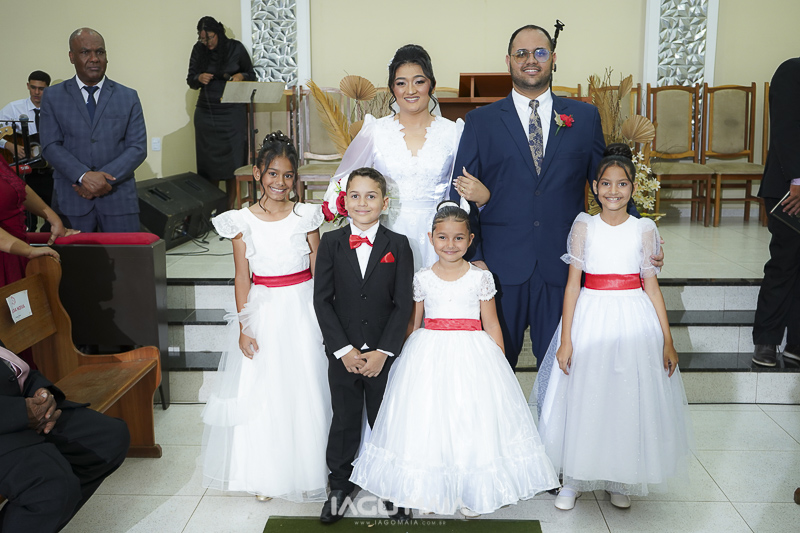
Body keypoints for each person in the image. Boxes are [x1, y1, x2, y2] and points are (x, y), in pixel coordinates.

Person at [449, 24, 660, 370]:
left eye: (540, 52)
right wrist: (475, 255)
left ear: (553, 58)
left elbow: (608, 185)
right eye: (521, 53)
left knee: (560, 370)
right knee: (494, 367)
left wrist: (639, 235)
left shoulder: (584, 118)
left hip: (563, 264)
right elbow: (460, 196)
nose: (530, 60)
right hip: (500, 266)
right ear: (508, 61)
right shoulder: (480, 122)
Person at [350, 201, 559, 518]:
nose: (450, 244)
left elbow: (492, 323)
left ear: (470, 240)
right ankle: (429, 490)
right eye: (443, 237)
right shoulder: (422, 278)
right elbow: (413, 323)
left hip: (472, 353)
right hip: (429, 353)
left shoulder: (480, 278)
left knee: (469, 418)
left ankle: (471, 490)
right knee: (430, 419)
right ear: (431, 238)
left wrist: (499, 362)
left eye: (459, 238)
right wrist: (400, 358)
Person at [533, 154, 693, 511]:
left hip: (633, 317)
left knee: (624, 398)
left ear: (633, 188)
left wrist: (667, 340)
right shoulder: (584, 226)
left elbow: (652, 288)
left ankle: (618, 478)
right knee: (585, 395)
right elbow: (572, 285)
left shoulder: (644, 229)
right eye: (606, 183)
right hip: (591, 314)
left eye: (622, 184)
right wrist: (566, 339)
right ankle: (574, 479)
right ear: (595, 187)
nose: (613, 191)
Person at [201, 132, 331, 502]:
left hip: (303, 307)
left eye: (288, 175)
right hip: (265, 309)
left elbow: (319, 268)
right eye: (273, 173)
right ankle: (266, 474)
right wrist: (245, 326)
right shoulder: (240, 221)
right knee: (266, 389)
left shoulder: (306, 216)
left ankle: (310, 469)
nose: (280, 182)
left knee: (307, 385)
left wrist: (325, 315)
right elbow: (242, 276)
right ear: (258, 173)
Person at [313, 168, 414, 523]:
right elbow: (322, 300)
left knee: (385, 419)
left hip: (381, 356)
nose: (362, 203)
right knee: (343, 419)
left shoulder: (398, 244)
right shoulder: (331, 243)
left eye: (371, 196)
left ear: (384, 203)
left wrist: (383, 352)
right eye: (355, 195)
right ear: (345, 201)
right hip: (344, 354)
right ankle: (339, 487)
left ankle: (391, 487)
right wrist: (343, 350)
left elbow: (403, 304)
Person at [323, 44, 464, 271]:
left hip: (438, 238)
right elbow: (342, 183)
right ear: (392, 88)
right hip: (386, 235)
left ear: (432, 85)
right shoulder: (375, 130)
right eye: (401, 83)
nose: (410, 90)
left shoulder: (454, 132)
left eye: (419, 81)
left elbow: (461, 191)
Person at [0, 340, 130, 532]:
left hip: (17, 402)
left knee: (109, 439)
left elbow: (10, 365)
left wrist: (43, 394)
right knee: (52, 487)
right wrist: (21, 413)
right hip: (7, 420)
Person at [39, 27, 146, 233]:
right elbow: (51, 146)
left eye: (100, 52)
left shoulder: (128, 96)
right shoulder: (53, 96)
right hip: (72, 199)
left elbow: (137, 148)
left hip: (118, 200)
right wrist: (83, 176)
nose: (94, 58)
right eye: (85, 52)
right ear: (72, 57)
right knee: (76, 256)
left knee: (124, 255)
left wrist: (101, 180)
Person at [751, 57, 800, 367]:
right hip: (789, 189)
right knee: (785, 262)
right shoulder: (792, 71)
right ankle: (766, 340)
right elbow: (786, 129)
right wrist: (798, 179)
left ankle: (796, 343)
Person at [187, 16, 256, 210]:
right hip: (206, 113)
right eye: (203, 39)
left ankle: (228, 209)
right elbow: (190, 80)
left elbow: (251, 74)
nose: (207, 43)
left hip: (232, 113)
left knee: (233, 164)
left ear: (218, 33)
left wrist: (241, 75)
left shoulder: (236, 48)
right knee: (209, 167)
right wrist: (199, 77)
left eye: (210, 38)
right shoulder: (198, 50)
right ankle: (211, 210)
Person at [1, 159, 75, 288]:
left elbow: (16, 185)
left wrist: (54, 220)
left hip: (17, 251)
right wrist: (28, 251)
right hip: (10, 251)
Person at [0, 71, 55, 232]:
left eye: (41, 89)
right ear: (27, 86)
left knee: (54, 213)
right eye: (33, 87)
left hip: (49, 172)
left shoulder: (55, 109)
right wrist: (9, 146)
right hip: (24, 173)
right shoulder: (13, 108)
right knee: (26, 220)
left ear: (48, 89)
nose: (36, 92)